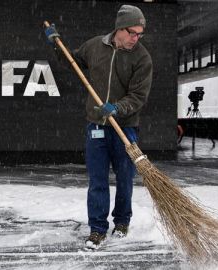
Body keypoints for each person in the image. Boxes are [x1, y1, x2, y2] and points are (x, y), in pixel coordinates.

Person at [45, 5, 152, 249]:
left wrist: (117, 107)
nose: (136, 38)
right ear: (119, 29)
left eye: (140, 34)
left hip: (125, 128)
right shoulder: (95, 46)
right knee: (98, 180)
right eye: (133, 33)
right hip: (96, 125)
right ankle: (97, 229)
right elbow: (71, 61)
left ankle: (122, 222)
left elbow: (138, 96)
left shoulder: (142, 57)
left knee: (125, 178)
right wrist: (55, 43)